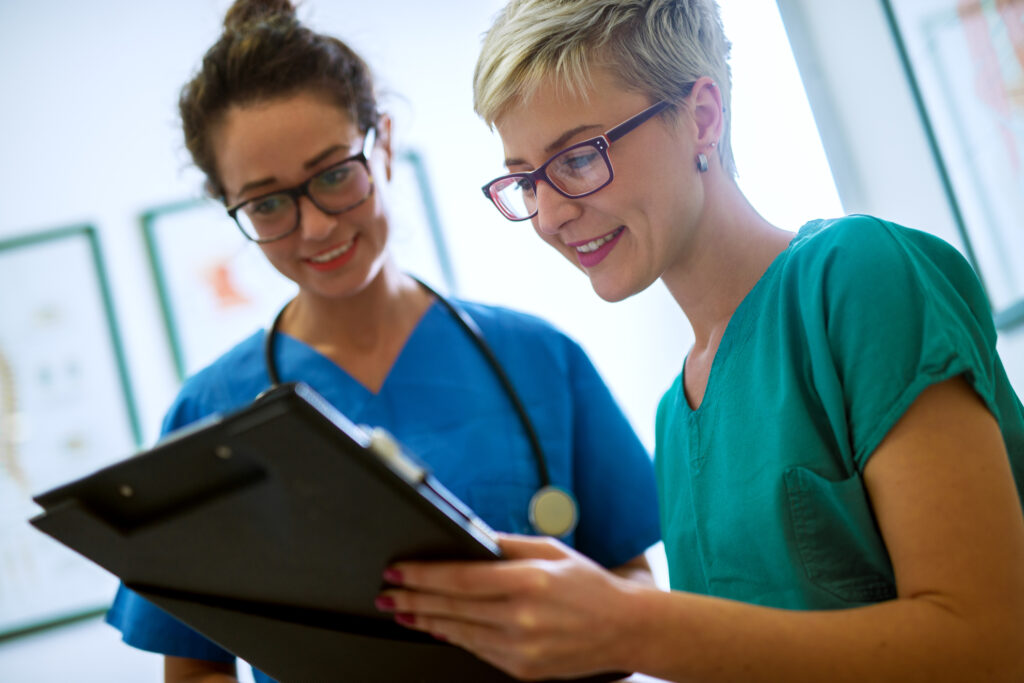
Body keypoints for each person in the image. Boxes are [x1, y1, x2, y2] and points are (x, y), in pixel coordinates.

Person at [377, 0, 1024, 680]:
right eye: (527, 179)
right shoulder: (676, 413)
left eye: (576, 157)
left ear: (702, 117)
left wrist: (630, 623)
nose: (551, 214)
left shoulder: (856, 276)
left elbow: (988, 640)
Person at [104, 1, 662, 681]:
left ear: (385, 142)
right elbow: (196, 668)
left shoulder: (539, 358)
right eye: (268, 203)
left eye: (334, 173)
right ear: (231, 205)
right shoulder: (208, 414)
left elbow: (633, 583)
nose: (313, 227)